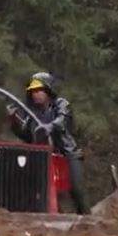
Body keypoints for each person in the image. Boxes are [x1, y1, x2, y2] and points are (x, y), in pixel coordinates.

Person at [7, 72, 87, 214]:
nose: (35, 94)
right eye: (32, 91)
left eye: (39, 90)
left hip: (65, 154)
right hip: (43, 158)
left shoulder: (61, 104)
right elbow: (25, 134)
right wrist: (14, 120)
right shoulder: (32, 113)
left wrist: (50, 127)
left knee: (76, 190)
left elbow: (62, 120)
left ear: (48, 90)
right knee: (39, 191)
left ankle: (87, 218)